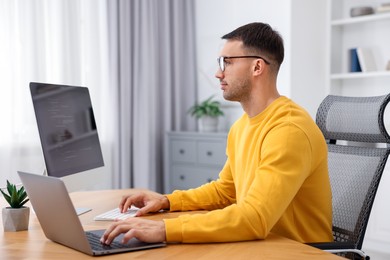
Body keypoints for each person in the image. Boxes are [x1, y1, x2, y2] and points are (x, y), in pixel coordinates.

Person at [101, 22, 333, 246]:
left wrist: (166, 229)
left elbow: (254, 217)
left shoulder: (289, 130)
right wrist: (167, 201)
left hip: (296, 251)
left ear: (257, 67)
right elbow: (226, 191)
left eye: (227, 63)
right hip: (259, 245)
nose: (218, 73)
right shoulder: (242, 126)